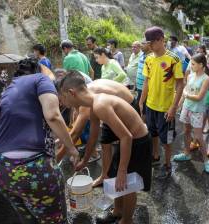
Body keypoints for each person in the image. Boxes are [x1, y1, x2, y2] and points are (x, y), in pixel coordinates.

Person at [0, 58, 79, 223]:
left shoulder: (7, 89)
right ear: (39, 70)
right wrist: (72, 149)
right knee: (54, 220)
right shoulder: (41, 79)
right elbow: (52, 115)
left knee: (29, 219)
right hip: (32, 169)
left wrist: (53, 142)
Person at [58, 71, 152, 224]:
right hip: (128, 141)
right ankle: (118, 211)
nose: (63, 102)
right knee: (115, 177)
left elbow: (126, 136)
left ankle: (127, 220)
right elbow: (94, 136)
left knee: (127, 183)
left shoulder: (100, 104)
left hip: (138, 141)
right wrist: (84, 161)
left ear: (71, 92)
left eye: (64, 97)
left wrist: (123, 170)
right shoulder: (93, 104)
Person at [56, 78, 137, 187]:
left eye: (61, 99)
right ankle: (104, 176)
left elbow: (76, 133)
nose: (61, 103)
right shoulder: (83, 96)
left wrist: (55, 162)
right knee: (105, 141)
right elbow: (92, 131)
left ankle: (124, 176)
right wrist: (84, 160)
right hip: (112, 106)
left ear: (70, 93)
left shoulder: (86, 101)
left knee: (125, 145)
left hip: (128, 105)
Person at [139, 26, 184, 178]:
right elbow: (146, 81)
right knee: (153, 133)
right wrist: (141, 101)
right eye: (148, 43)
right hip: (151, 104)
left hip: (166, 107)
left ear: (161, 40)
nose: (149, 46)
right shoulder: (148, 58)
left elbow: (180, 84)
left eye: (151, 42)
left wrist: (173, 107)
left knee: (167, 138)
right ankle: (156, 156)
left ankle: (168, 164)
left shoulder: (173, 59)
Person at [172, 53, 209, 173]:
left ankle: (206, 160)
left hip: (197, 110)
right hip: (186, 108)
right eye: (191, 63)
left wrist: (186, 95)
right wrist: (176, 106)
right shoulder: (190, 75)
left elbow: (199, 97)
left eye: (193, 64)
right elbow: (186, 91)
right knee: (186, 131)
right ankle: (186, 153)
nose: (191, 65)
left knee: (199, 136)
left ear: (201, 65)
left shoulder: (206, 79)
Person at [136, 39, 152, 121]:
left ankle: (145, 130)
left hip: (146, 89)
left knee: (144, 111)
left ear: (149, 44)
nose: (141, 45)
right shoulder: (142, 55)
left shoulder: (152, 57)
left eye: (143, 43)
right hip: (139, 87)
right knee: (140, 108)